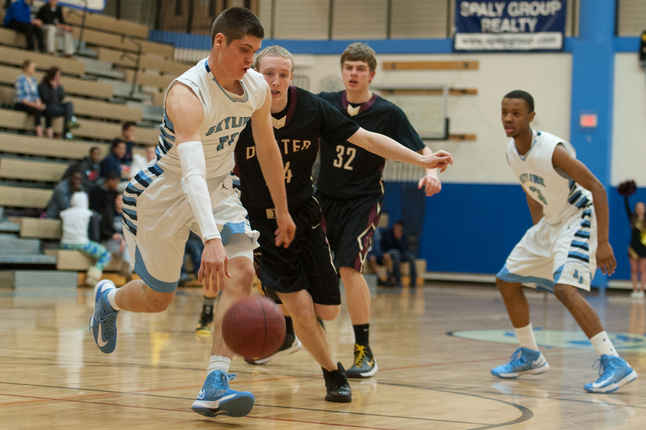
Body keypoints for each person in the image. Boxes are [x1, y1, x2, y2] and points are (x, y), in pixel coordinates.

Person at [88, 8, 295, 420]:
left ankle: (215, 382)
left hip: (217, 187)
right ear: (219, 42)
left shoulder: (254, 87)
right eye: (243, 50)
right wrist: (211, 240)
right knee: (156, 300)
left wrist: (283, 209)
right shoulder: (186, 92)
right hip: (165, 191)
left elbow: (267, 149)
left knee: (242, 271)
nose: (250, 61)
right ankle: (108, 299)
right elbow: (191, 173)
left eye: (254, 51)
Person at [232, 45, 451, 402]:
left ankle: (289, 320)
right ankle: (333, 373)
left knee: (328, 311)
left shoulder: (313, 107)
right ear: (255, 74)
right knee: (304, 305)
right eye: (268, 73)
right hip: (265, 220)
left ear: (292, 77)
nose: (275, 81)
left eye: (283, 74)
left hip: (309, 211)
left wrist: (422, 161)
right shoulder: (238, 111)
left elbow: (366, 139)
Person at [492, 90, 638, 393]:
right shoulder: (510, 151)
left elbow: (597, 188)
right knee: (506, 281)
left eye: (516, 113)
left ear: (531, 117)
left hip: (580, 216)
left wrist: (604, 243)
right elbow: (531, 190)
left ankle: (615, 363)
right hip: (552, 222)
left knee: (564, 289)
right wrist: (539, 234)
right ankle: (530, 355)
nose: (508, 118)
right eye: (505, 112)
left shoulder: (552, 149)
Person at [316, 42, 444, 379]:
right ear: (342, 71)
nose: (354, 73)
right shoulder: (326, 104)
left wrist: (430, 172)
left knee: (349, 267)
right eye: (348, 67)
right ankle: (291, 330)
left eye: (360, 68)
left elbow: (421, 148)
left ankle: (363, 349)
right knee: (309, 265)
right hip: (323, 198)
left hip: (362, 199)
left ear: (372, 74)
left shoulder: (388, 113)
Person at [60, 191, 111, 286]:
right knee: (105, 254)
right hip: (81, 244)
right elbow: (94, 234)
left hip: (65, 244)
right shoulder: (87, 213)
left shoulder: (64, 213)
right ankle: (93, 276)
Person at [38, 66, 79, 139]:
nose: (58, 77)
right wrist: (53, 88)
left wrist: (58, 87)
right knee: (67, 112)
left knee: (69, 105)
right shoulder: (43, 85)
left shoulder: (58, 85)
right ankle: (67, 131)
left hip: (57, 105)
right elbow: (46, 99)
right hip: (48, 106)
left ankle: (68, 126)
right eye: (57, 75)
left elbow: (62, 98)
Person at [100, 193, 132, 282]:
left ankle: (126, 270)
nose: (121, 202)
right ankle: (127, 273)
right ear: (115, 201)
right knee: (128, 249)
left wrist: (123, 240)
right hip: (111, 242)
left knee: (128, 247)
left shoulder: (128, 215)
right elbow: (102, 230)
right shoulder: (108, 212)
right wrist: (112, 235)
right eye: (119, 200)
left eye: (123, 200)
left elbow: (131, 233)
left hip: (123, 245)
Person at [379, 220, 417, 287]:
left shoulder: (403, 235)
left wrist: (399, 240)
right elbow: (384, 247)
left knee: (411, 256)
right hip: (390, 253)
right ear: (394, 226)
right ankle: (398, 280)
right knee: (396, 254)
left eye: (401, 228)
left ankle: (413, 281)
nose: (399, 229)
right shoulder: (387, 233)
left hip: (401, 254)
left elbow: (405, 249)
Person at [14, 59, 44, 137]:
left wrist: (39, 104)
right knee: (36, 110)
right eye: (32, 67)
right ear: (27, 67)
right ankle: (39, 134)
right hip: (21, 103)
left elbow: (36, 96)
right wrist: (34, 105)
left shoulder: (34, 81)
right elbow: (20, 98)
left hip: (31, 104)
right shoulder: (20, 79)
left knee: (44, 110)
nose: (34, 70)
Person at [623, 195, 646, 299]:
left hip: (644, 247)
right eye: (638, 207)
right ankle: (634, 290)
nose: (640, 209)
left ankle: (642, 290)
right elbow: (627, 208)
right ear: (636, 209)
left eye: (642, 207)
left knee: (643, 269)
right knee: (634, 269)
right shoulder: (633, 219)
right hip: (633, 247)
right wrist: (625, 196)